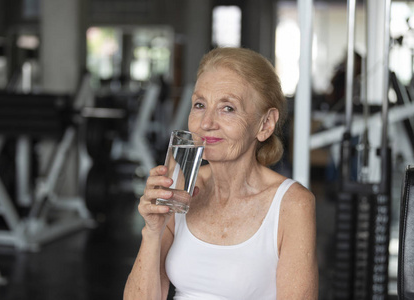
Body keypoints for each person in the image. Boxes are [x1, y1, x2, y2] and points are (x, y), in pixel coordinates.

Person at [124, 47, 318, 299]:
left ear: (265, 124)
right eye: (199, 104)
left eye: (228, 108)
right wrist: (152, 231)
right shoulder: (179, 191)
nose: (206, 123)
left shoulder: (292, 204)